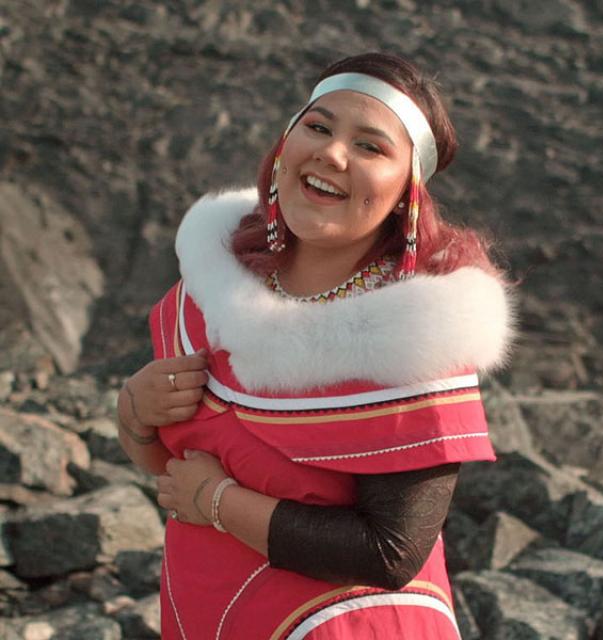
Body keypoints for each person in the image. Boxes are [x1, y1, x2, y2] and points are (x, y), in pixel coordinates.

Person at [117, 52, 514, 639]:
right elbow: (175, 472)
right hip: (208, 608)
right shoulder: (215, 289)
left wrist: (220, 501)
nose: (332, 153)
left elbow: (391, 552)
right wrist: (134, 412)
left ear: (406, 191)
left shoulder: (413, 338)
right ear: (284, 146)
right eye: (319, 127)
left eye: (371, 147)